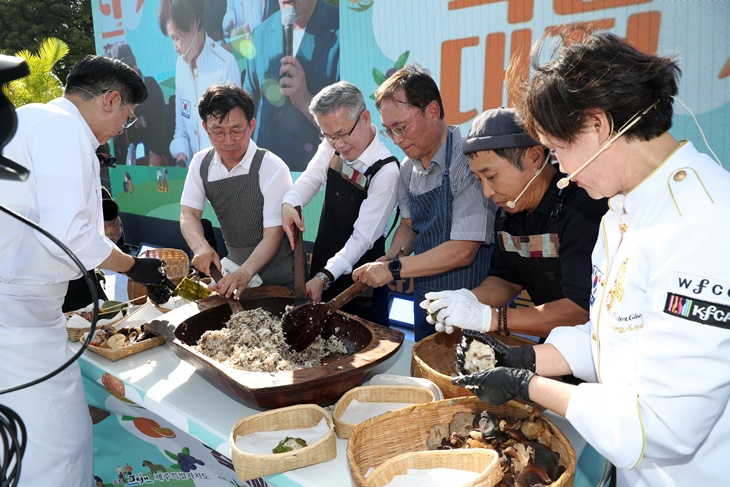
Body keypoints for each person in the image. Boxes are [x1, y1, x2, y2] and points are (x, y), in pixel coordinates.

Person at [453, 31, 730, 486]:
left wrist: (529, 386)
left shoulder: (703, 223)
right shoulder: (619, 212)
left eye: (558, 150)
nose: (560, 168)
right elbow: (611, 337)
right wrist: (527, 359)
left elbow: (662, 425)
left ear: (597, 125)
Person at [0, 54, 173, 486]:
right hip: (17, 318)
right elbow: (68, 234)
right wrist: (135, 267)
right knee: (56, 446)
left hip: (25, 312)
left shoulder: (31, 118)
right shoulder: (63, 128)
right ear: (111, 100)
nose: (122, 130)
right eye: (127, 118)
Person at [423, 108, 607, 339]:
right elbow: (505, 280)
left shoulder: (582, 206)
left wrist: (490, 318)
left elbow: (579, 311)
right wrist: (469, 300)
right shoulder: (509, 211)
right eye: (479, 180)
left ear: (534, 157)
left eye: (491, 177)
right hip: (555, 342)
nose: (487, 192)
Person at [353, 65, 497, 341]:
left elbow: (463, 251)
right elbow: (409, 226)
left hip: (471, 307)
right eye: (389, 131)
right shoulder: (408, 169)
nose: (397, 140)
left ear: (432, 111)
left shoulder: (467, 162)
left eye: (401, 128)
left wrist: (393, 270)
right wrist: (392, 256)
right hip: (425, 304)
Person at [281, 81, 399, 325]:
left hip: (360, 275)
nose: (338, 144)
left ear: (365, 118)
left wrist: (324, 277)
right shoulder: (332, 143)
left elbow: (362, 238)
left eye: (343, 134)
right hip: (324, 259)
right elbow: (312, 178)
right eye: (329, 136)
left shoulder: (386, 170)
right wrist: (290, 203)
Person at [180, 82, 294, 297]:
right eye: (218, 132)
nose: (228, 141)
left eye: (236, 130)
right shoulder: (200, 163)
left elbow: (273, 234)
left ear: (251, 125)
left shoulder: (272, 167)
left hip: (281, 280)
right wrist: (200, 246)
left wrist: (246, 272)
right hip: (235, 272)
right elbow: (189, 214)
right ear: (205, 128)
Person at [242, 0, 339, 171]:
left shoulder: (342, 28)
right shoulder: (260, 35)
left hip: (317, 175)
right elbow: (246, 110)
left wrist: (305, 100)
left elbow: (350, 125)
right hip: (267, 173)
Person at [159, 0, 241, 167]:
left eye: (177, 38)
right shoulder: (180, 65)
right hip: (195, 172)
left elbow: (233, 133)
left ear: (193, 24)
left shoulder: (225, 65)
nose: (175, 48)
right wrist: (181, 157)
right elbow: (181, 128)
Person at [108, 41, 174, 167]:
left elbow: (161, 121)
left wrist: (155, 152)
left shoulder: (151, 86)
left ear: (135, 66)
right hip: (131, 156)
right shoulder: (116, 95)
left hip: (157, 151)